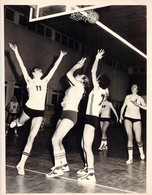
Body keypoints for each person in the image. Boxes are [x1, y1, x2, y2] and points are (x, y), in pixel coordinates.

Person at [9, 43, 67, 175]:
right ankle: (18, 121)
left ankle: (21, 164)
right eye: (38, 70)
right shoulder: (29, 81)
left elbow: (53, 69)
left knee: (31, 137)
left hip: (39, 112)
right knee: (20, 122)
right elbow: (22, 66)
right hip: (29, 109)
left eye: (40, 70)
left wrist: (61, 58)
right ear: (33, 73)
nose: (40, 70)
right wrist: (16, 51)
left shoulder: (45, 81)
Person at [46, 57, 89, 178]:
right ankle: (64, 164)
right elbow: (68, 78)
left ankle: (58, 168)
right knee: (58, 140)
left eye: (80, 75)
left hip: (70, 114)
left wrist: (76, 66)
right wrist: (64, 101)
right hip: (65, 113)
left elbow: (68, 74)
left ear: (82, 81)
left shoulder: (80, 87)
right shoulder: (73, 87)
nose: (77, 75)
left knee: (54, 140)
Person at [77, 49, 110, 183]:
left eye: (98, 78)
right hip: (91, 118)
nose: (95, 78)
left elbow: (92, 71)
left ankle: (91, 174)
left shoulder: (98, 89)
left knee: (87, 146)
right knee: (83, 143)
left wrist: (96, 58)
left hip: (91, 118)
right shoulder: (104, 91)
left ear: (99, 80)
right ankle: (86, 167)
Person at [119, 84, 146, 164]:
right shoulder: (127, 97)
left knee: (138, 139)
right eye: (132, 87)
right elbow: (123, 107)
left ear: (137, 90)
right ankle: (130, 158)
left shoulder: (140, 98)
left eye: (135, 87)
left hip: (137, 119)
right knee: (130, 136)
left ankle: (141, 152)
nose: (133, 88)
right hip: (127, 117)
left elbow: (147, 107)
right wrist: (121, 116)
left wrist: (138, 105)